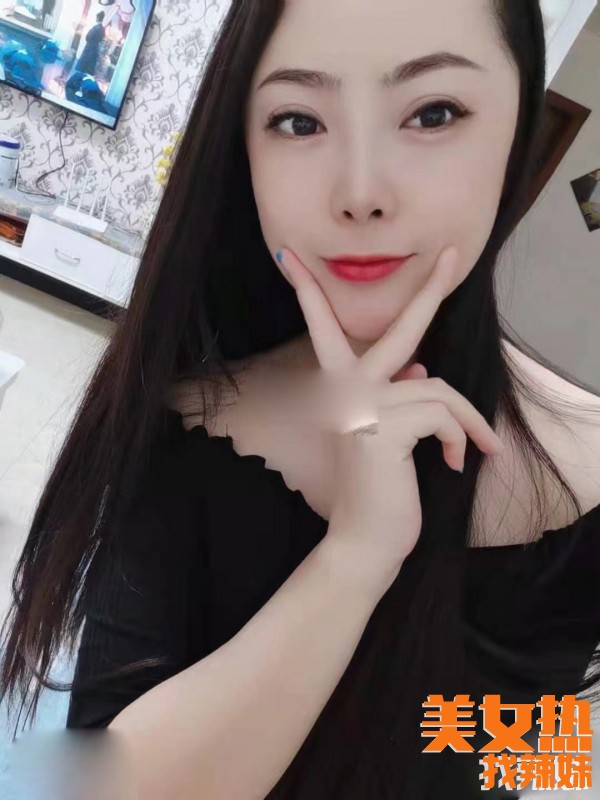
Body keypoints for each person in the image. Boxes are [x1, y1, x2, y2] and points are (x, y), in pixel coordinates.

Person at [1, 0, 600, 798]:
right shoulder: (190, 425)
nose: (360, 193)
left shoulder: (586, 468)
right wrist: (354, 558)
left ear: (517, 129)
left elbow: (513, 763)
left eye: (433, 113)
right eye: (298, 121)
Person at [74, 11, 107, 76]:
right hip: (95, 47)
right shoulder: (102, 29)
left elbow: (88, 37)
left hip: (90, 46)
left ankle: (79, 76)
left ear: (98, 18)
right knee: (90, 65)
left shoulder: (95, 28)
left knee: (84, 64)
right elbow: (101, 39)